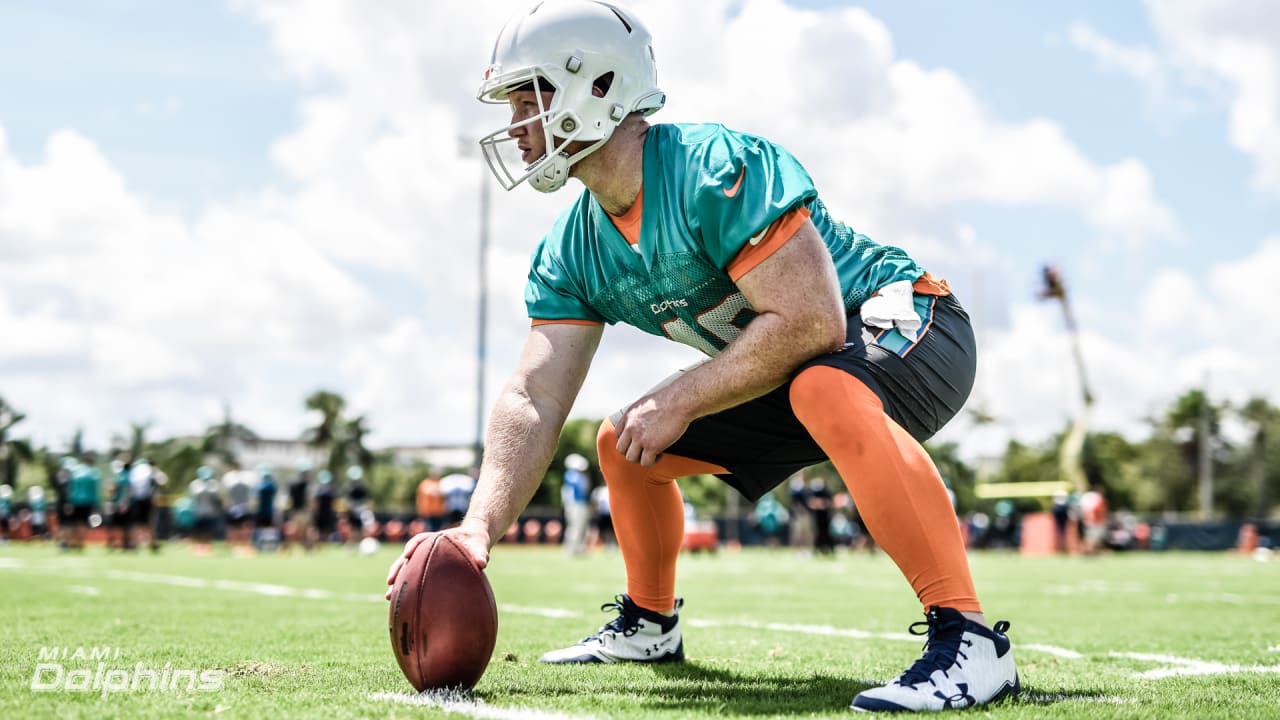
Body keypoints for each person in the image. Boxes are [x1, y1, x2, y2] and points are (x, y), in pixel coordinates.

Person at [388, 1, 1017, 712]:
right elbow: (534, 396)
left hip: (911, 321)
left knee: (821, 387)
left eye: (526, 98)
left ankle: (969, 638)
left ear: (597, 86)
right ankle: (650, 623)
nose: (514, 128)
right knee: (623, 446)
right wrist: (478, 526)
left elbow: (813, 321)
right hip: (809, 368)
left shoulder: (712, 169)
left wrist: (682, 396)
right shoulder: (572, 247)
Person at [561, 454, 592, 556]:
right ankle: (571, 549)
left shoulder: (575, 475)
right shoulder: (571, 475)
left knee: (580, 527)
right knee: (575, 527)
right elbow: (583, 489)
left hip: (580, 503)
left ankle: (578, 548)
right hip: (575, 504)